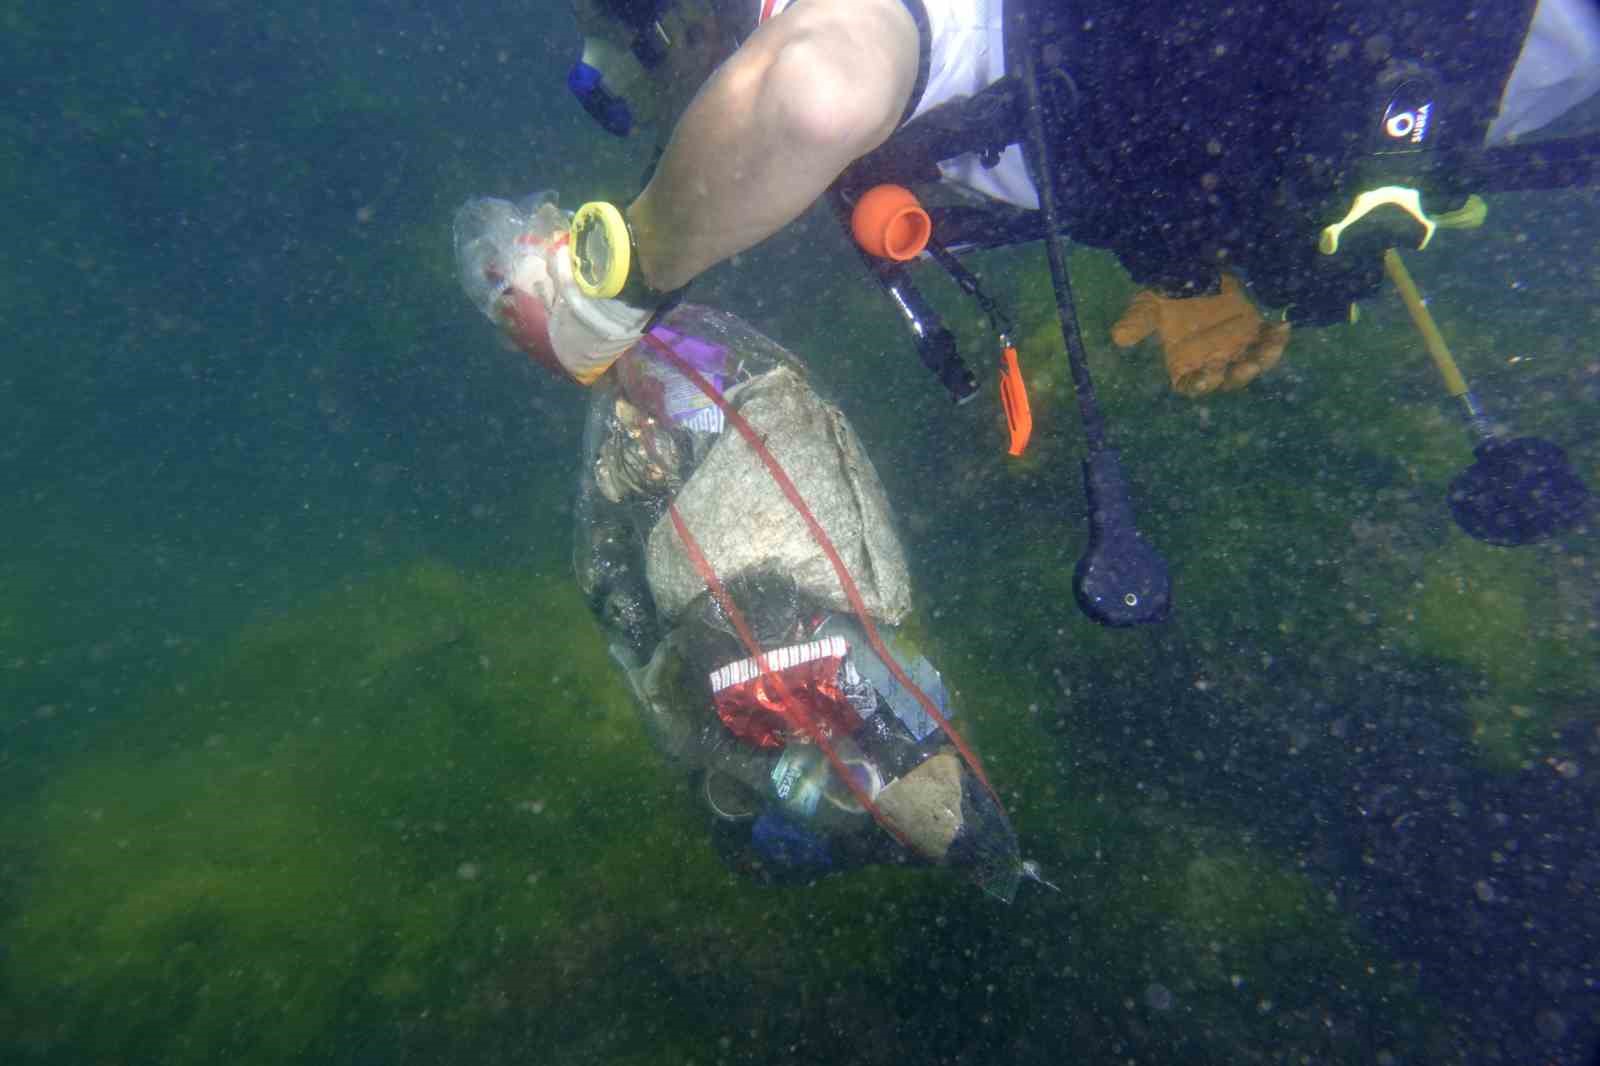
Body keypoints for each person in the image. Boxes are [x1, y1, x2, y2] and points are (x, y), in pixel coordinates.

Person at [546, 0, 1600, 398]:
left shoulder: (843, 20)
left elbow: (813, 97)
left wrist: (612, 281)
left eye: (634, 70)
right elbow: (1151, 76)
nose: (658, 106)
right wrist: (1192, 256)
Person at [454, 192, 1033, 900]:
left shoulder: (672, 358)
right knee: (761, 805)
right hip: (781, 661)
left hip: (789, 630)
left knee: (786, 767)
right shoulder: (644, 386)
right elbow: (621, 585)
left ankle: (921, 827)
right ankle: (902, 828)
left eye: (523, 308)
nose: (526, 329)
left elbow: (704, 428)